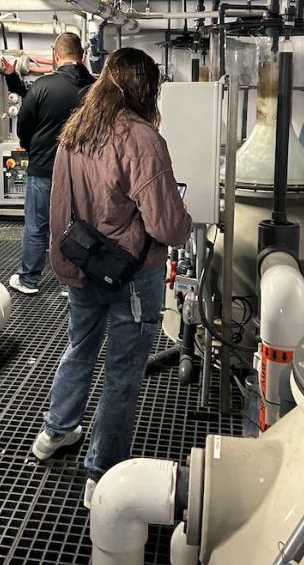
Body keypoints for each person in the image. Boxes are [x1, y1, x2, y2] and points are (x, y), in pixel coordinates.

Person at [33, 47, 191, 507]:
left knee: (80, 346)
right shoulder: (141, 138)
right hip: (131, 275)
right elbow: (165, 224)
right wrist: (186, 223)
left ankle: (56, 431)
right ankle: (101, 471)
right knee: (123, 370)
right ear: (146, 88)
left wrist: (65, 263)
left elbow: (58, 204)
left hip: (82, 263)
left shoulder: (77, 129)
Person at [3, 32, 94, 295]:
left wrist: (34, 149)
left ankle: (29, 279)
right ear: (83, 56)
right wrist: (12, 78)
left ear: (56, 56)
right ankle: (69, 281)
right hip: (83, 173)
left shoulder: (44, 85)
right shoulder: (97, 90)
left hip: (44, 169)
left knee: (37, 226)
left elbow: (24, 126)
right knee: (77, 226)